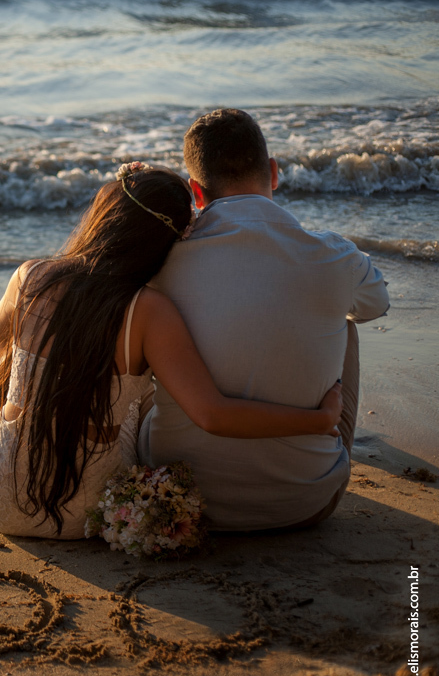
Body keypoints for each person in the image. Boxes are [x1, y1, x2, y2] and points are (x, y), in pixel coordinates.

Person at [0, 163, 343, 539]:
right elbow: (212, 414)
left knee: (36, 377)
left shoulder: (32, 276)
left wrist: (53, 369)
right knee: (142, 399)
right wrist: (319, 420)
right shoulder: (149, 310)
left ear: (103, 214)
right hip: (81, 510)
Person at [138, 109, 389, 532]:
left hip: (177, 497)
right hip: (305, 502)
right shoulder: (335, 255)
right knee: (346, 318)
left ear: (195, 192)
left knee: (148, 323)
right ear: (273, 172)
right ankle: (311, 443)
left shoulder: (160, 261)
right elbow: (376, 305)